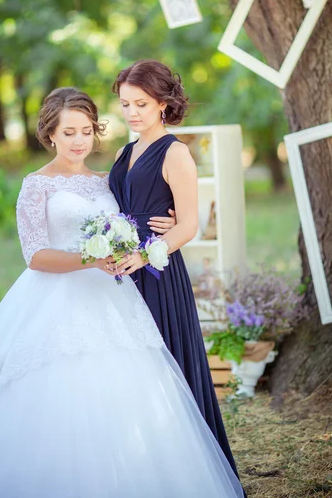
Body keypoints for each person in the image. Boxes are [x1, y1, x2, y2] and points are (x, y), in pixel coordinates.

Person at [0, 87, 244, 498]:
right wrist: (89, 260)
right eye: (69, 132)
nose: (79, 141)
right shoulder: (35, 186)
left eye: (86, 131)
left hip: (115, 299)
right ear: (50, 134)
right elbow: (34, 255)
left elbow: (139, 211)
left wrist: (172, 217)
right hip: (58, 301)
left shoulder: (107, 179)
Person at [109, 59, 244, 489]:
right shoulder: (123, 152)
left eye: (141, 104)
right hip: (118, 273)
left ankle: (186, 469)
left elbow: (188, 224)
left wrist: (147, 256)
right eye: (126, 104)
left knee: (166, 363)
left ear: (164, 104)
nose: (132, 113)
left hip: (157, 274)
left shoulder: (176, 152)